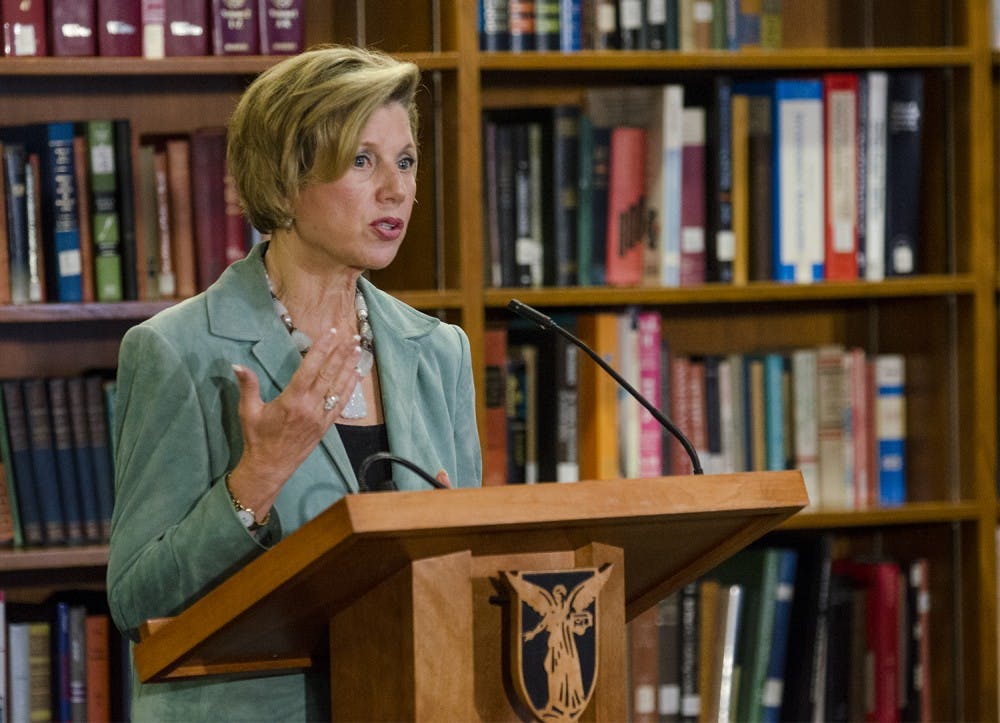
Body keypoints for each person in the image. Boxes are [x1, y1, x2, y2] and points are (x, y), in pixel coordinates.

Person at [106, 45, 482, 720]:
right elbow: (137, 600)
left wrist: (454, 547)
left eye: (405, 160)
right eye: (362, 161)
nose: (395, 189)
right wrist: (256, 480)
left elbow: (467, 578)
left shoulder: (439, 352)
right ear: (286, 179)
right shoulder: (177, 351)